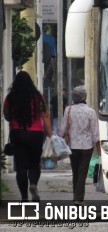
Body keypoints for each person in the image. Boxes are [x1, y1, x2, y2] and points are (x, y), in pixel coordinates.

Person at [2, 71, 53, 202]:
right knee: (35, 164)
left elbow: (7, 116)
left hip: (17, 133)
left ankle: (24, 197)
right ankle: (34, 184)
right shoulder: (37, 96)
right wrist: (50, 134)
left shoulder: (10, 97)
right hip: (36, 134)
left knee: (21, 167)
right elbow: (45, 115)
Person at [58, 86, 100, 206]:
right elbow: (95, 133)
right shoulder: (91, 112)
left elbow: (62, 130)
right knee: (83, 172)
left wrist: (63, 136)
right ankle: (78, 198)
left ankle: (76, 197)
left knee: (75, 171)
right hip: (87, 146)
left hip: (73, 146)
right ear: (84, 97)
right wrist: (98, 147)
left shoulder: (68, 110)